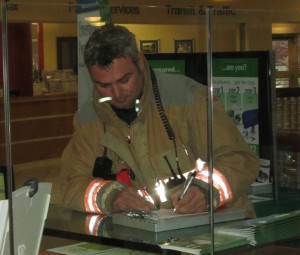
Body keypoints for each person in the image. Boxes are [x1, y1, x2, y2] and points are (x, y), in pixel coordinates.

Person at [60, 23, 260, 218]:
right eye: (103, 85)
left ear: (140, 62)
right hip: (146, 237)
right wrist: (110, 196)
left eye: (124, 80)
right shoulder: (88, 120)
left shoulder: (189, 99)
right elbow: (70, 184)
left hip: (217, 230)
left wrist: (206, 190)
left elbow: (239, 160)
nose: (116, 93)